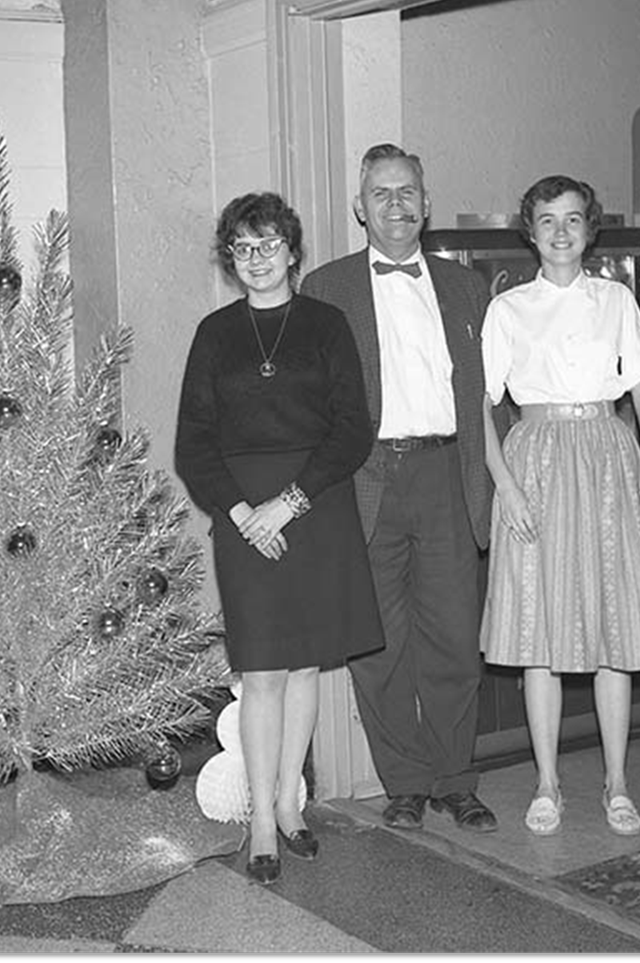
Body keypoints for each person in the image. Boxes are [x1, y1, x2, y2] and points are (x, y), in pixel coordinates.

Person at [175, 192, 384, 885]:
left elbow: (352, 428)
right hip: (240, 514)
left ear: (293, 252)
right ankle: (262, 819)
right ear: (230, 259)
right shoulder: (214, 334)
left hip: (315, 505)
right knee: (262, 669)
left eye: (268, 245)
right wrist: (240, 513)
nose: (257, 259)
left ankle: (292, 806)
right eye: (242, 248)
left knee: (303, 668)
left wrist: (287, 504)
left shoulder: (327, 324)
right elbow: (193, 443)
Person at [300, 144, 498, 834]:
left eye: (407, 191)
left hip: (447, 474)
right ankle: (406, 782)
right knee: (378, 646)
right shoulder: (325, 290)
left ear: (426, 202)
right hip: (365, 479)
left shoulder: (467, 289)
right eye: (381, 194)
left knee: (453, 638)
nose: (396, 204)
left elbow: (490, 399)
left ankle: (456, 779)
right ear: (360, 209)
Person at [480, 175, 640, 837]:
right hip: (534, 458)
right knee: (540, 630)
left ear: (589, 230)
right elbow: (482, 405)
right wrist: (504, 484)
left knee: (613, 629)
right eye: (546, 221)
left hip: (608, 458)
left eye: (571, 220)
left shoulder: (615, 299)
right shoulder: (507, 309)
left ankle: (617, 783)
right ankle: (546, 782)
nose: (560, 232)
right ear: (528, 231)